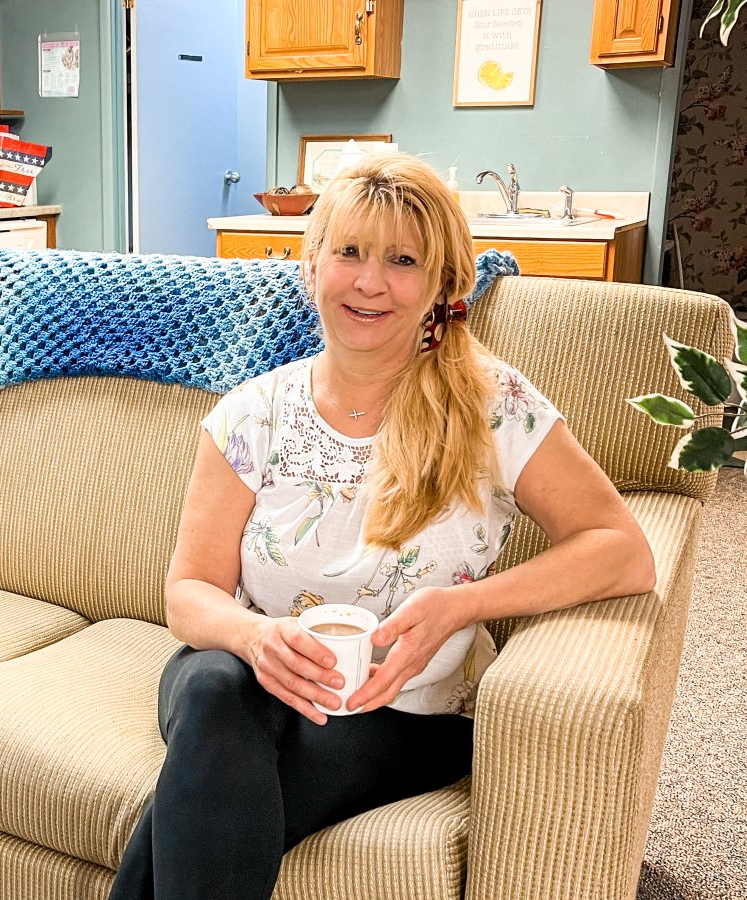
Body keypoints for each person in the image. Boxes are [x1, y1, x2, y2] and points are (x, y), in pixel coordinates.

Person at [107, 152, 656, 900]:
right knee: (210, 684)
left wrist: (461, 605)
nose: (369, 282)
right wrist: (255, 638)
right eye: (350, 252)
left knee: (203, 796)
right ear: (312, 266)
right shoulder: (251, 414)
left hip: (403, 715)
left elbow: (622, 551)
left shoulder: (494, 407)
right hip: (251, 686)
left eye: (403, 260)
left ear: (441, 283)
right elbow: (190, 591)